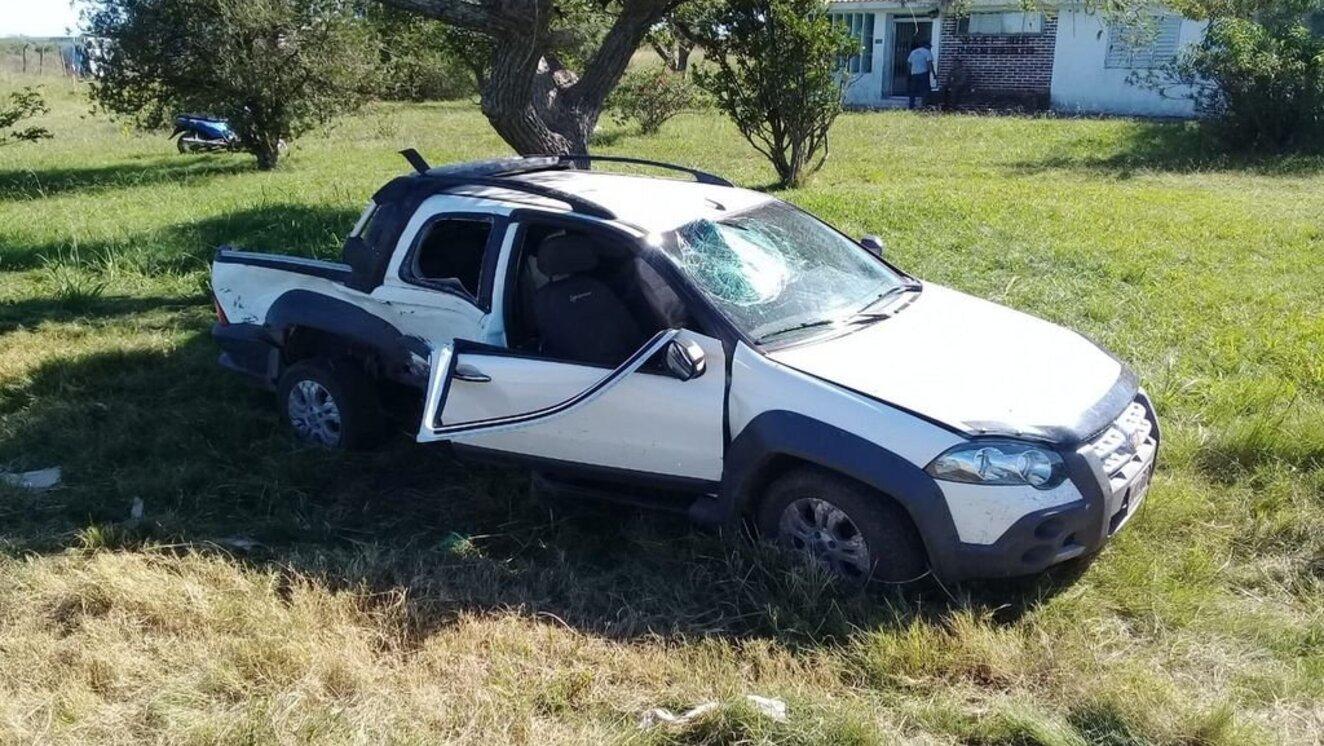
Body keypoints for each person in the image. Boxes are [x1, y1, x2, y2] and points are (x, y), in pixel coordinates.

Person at [906, 40, 935, 110]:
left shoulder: (913, 52)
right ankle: (924, 105)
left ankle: (911, 106)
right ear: (927, 46)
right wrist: (933, 74)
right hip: (923, 73)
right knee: (925, 89)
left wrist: (911, 71)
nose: (930, 48)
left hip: (914, 74)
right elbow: (929, 64)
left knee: (913, 90)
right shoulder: (927, 52)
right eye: (930, 46)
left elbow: (908, 63)